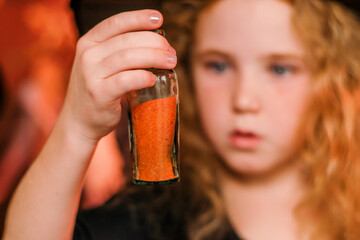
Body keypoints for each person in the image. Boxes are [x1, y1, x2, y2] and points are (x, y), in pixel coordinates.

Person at [2, 0, 360, 239]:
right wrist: (77, 131)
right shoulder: (149, 222)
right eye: (217, 65)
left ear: (335, 80)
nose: (244, 100)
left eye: (280, 68)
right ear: (185, 74)